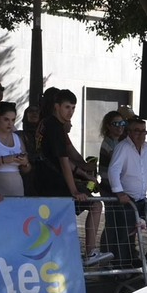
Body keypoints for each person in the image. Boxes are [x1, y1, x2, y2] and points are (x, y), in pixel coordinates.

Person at [37, 88, 112, 265]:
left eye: (73, 108)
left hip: (47, 183)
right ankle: (90, 251)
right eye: (67, 107)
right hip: (53, 185)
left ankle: (62, 256)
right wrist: (73, 190)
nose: (70, 112)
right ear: (57, 107)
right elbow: (64, 161)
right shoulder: (55, 127)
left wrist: (84, 174)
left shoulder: (48, 124)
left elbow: (68, 161)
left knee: (59, 222)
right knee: (95, 204)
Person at [108, 117, 147, 223]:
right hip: (126, 199)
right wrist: (119, 192)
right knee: (124, 235)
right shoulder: (122, 147)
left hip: (141, 199)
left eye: (143, 131)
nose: (141, 134)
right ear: (129, 132)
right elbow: (113, 170)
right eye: (137, 131)